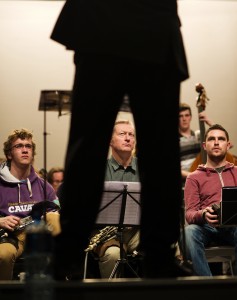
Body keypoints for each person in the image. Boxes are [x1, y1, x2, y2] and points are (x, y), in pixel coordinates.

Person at [50, 0, 189, 279]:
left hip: (109, 21)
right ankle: (157, 253)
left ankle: (70, 251)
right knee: (154, 150)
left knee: (91, 145)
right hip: (140, 22)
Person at [182, 124, 237, 276]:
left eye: (221, 139)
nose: (216, 142)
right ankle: (207, 285)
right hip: (206, 228)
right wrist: (203, 214)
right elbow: (189, 214)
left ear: (228, 145)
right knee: (188, 232)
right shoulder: (193, 177)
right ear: (204, 145)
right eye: (212, 139)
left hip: (235, 227)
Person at [0, 128, 61, 280]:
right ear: (9, 154)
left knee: (54, 218)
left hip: (39, 232)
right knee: (3, 255)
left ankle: (61, 286)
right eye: (19, 146)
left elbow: (56, 211)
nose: (25, 150)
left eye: (28, 146)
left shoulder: (43, 184)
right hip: (11, 236)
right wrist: (0, 221)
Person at [87, 120, 140, 278]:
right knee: (112, 255)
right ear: (110, 141)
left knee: (165, 242)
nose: (128, 138)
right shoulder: (96, 169)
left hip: (136, 231)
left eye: (131, 135)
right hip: (106, 233)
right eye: (122, 134)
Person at [179, 102, 213, 184]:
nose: (184, 119)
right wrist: (193, 176)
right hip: (185, 184)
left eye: (187, 115)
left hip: (202, 182)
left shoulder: (199, 136)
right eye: (180, 116)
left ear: (190, 117)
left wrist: (210, 122)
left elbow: (228, 144)